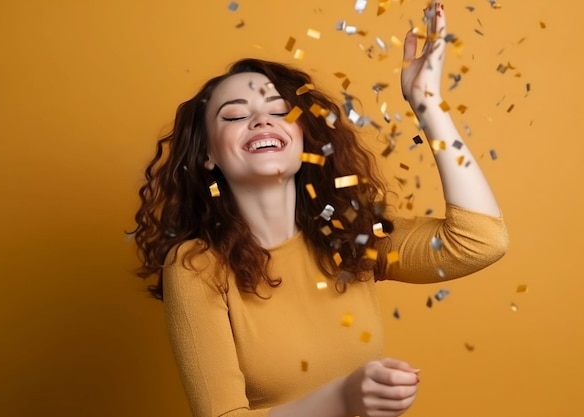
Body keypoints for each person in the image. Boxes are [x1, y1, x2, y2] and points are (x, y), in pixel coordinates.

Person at [132, 1, 508, 416]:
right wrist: (343, 399)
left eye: (278, 111)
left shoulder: (350, 237)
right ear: (207, 155)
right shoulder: (196, 267)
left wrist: (427, 104)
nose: (261, 120)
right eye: (235, 115)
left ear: (305, 139)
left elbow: (481, 242)